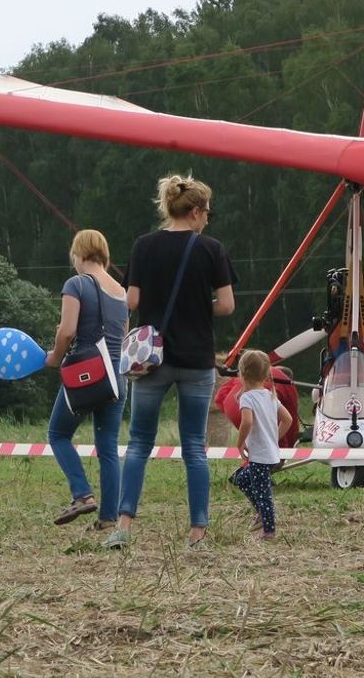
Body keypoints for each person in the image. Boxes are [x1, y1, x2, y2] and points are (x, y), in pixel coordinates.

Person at [105, 174, 237, 550]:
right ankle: (197, 532)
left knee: (138, 443)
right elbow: (227, 305)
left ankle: (123, 526)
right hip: (196, 359)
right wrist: (198, 306)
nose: (208, 218)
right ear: (194, 212)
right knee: (194, 446)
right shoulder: (212, 250)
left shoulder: (144, 246)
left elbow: (132, 301)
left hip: (152, 359)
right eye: (207, 212)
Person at [44, 229, 129, 531]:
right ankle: (108, 519)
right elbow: (122, 336)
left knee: (58, 434)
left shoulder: (76, 284)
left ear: (78, 254)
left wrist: (55, 357)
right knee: (108, 447)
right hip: (117, 376)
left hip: (88, 374)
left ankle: (82, 494)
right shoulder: (121, 291)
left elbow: (67, 331)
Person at [231, 350, 293, 541]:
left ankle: (269, 530)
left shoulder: (247, 398)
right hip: (269, 452)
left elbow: (247, 422)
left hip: (259, 455)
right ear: (266, 374)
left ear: (242, 373)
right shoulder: (269, 395)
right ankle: (261, 511)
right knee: (240, 479)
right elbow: (288, 420)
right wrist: (274, 437)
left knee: (263, 492)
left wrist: (240, 442)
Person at [216, 364, 300, 448]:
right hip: (254, 410)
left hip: (231, 406)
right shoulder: (285, 384)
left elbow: (219, 397)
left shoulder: (250, 372)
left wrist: (232, 412)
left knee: (257, 444)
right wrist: (291, 445)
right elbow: (291, 418)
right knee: (279, 444)